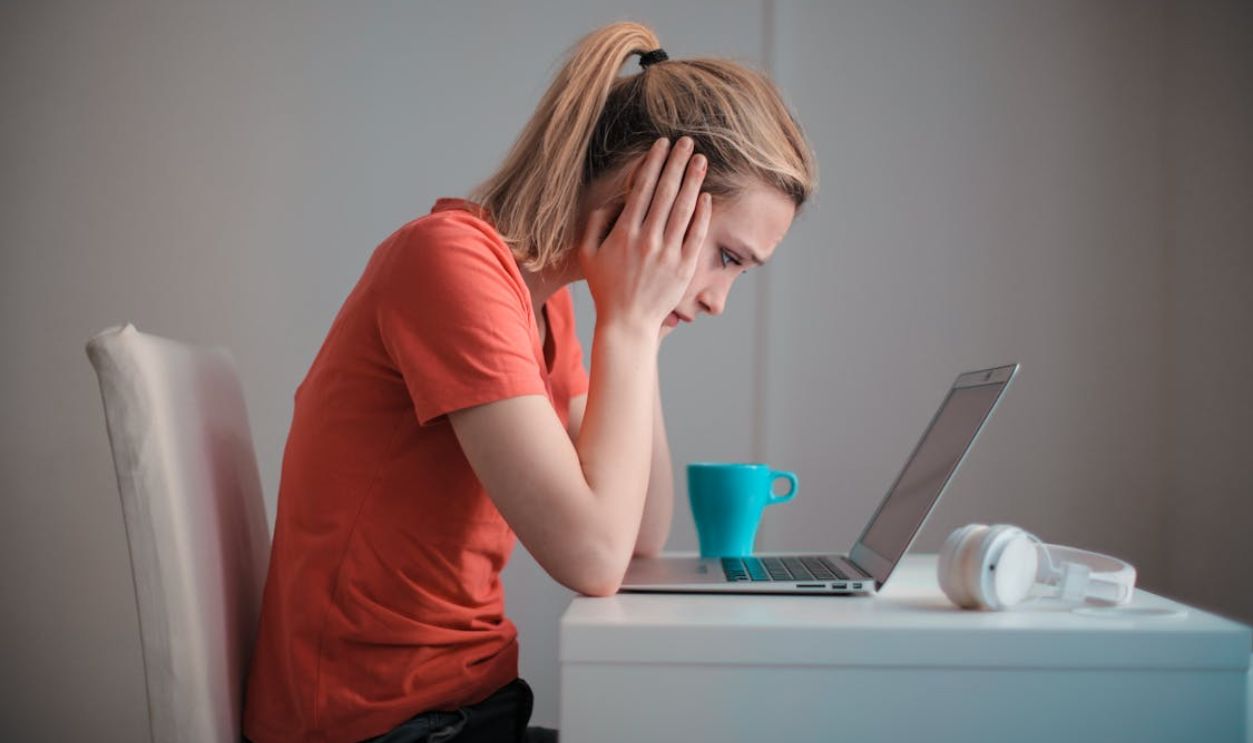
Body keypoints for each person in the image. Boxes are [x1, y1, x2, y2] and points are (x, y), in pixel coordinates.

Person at [243, 20, 817, 743]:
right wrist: (631, 326)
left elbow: (639, 533)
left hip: (466, 710)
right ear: (651, 190)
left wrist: (643, 326)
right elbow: (594, 559)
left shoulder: (545, 307)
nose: (717, 298)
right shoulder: (449, 265)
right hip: (378, 726)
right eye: (728, 258)